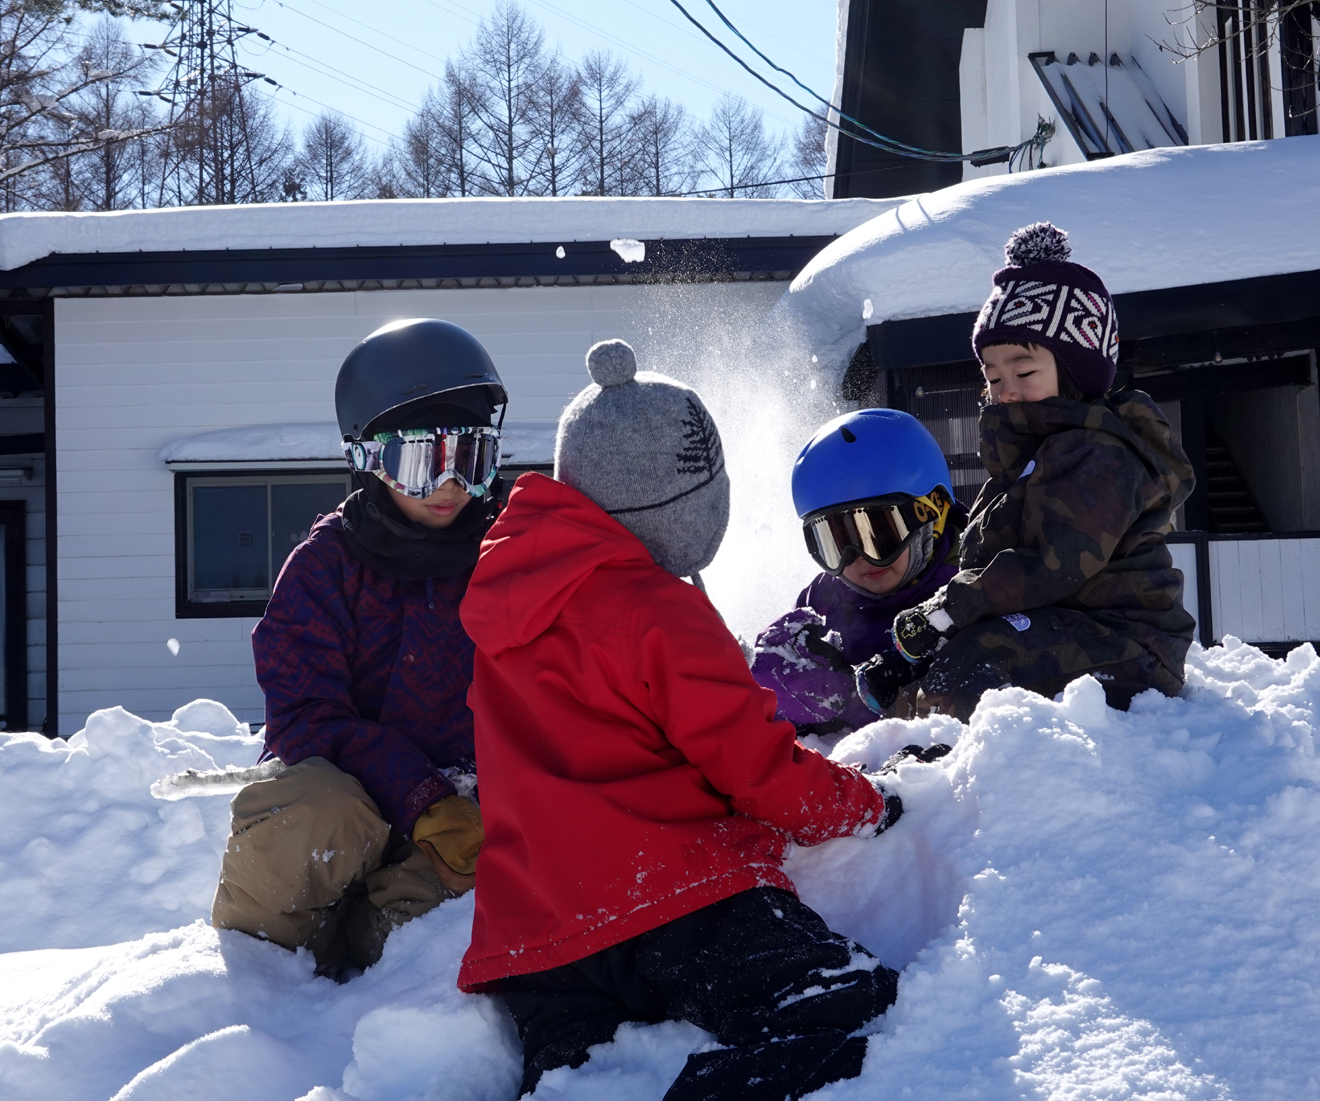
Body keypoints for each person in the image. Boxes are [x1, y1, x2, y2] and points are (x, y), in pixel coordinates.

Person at [457, 339, 906, 1101]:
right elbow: (758, 771)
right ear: (683, 506)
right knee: (851, 999)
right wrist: (867, 802)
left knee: (575, 1079)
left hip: (534, 941)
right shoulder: (658, 608)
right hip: (680, 902)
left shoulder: (506, 605)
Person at [210, 318, 507, 976]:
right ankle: (259, 978)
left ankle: (374, 970)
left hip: (457, 827)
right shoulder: (326, 568)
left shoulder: (507, 556)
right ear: (369, 457)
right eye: (423, 461)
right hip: (346, 814)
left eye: (472, 459)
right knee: (317, 806)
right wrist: (418, 793)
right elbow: (306, 719)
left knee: (474, 882)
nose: (451, 483)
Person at [887, 222, 1196, 719]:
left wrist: (951, 609)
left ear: (1076, 371)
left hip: (1131, 645)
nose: (1005, 389)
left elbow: (1050, 565)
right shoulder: (1020, 465)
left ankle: (958, 765)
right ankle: (909, 748)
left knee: (977, 661)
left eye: (1024, 371)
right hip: (1066, 629)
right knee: (946, 668)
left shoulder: (1098, 454)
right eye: (992, 376)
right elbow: (984, 564)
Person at [751, 409, 960, 734]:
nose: (859, 559)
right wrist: (779, 693)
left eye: (879, 535)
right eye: (836, 544)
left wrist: (853, 701)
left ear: (932, 513)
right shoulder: (823, 602)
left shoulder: (972, 590)